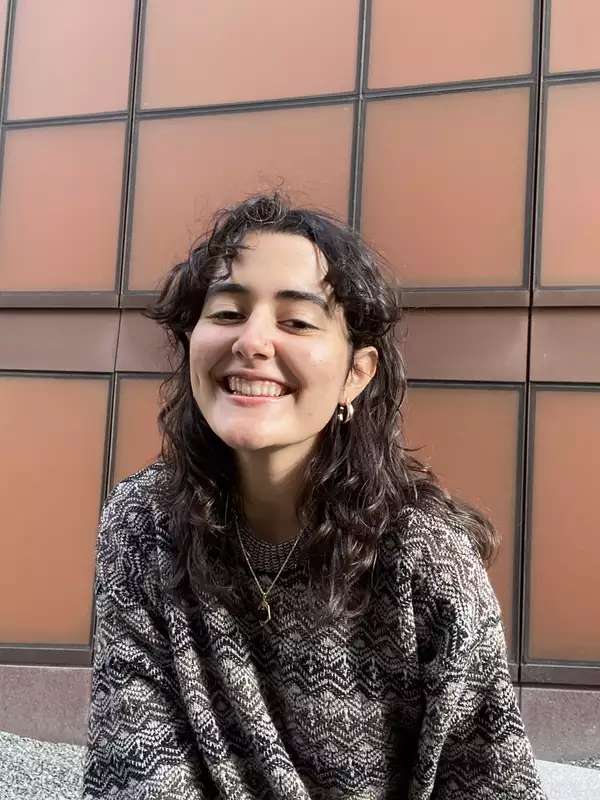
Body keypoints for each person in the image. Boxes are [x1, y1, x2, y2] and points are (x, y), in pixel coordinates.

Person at [82, 192, 547, 799]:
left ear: (357, 372)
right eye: (226, 312)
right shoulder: (143, 526)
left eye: (297, 321)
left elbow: (491, 781)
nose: (252, 342)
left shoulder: (425, 561)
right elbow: (134, 773)